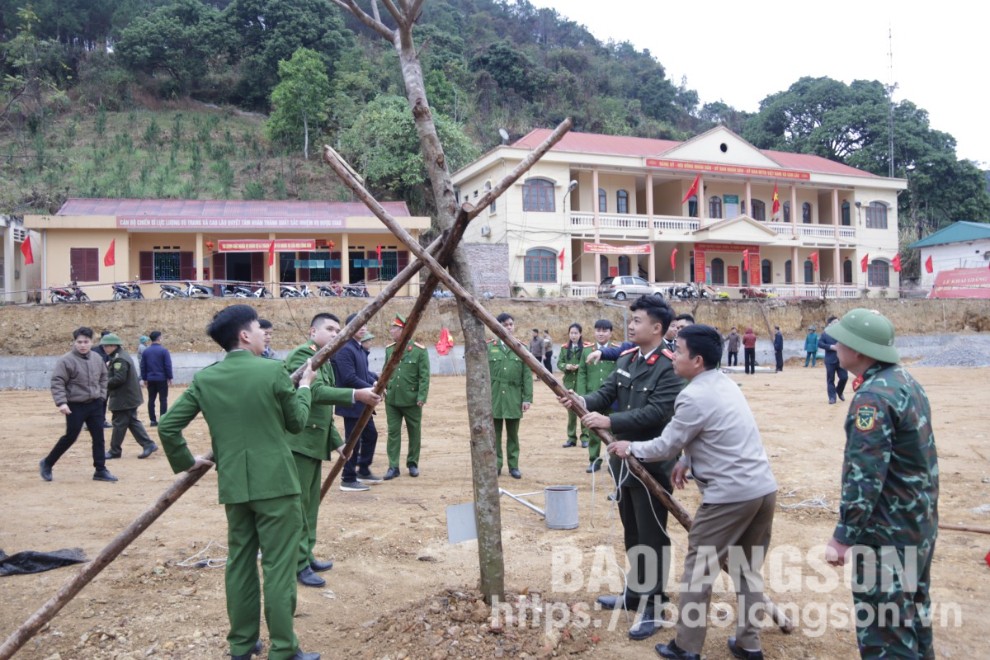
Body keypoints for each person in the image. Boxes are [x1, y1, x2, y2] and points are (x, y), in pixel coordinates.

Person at [158, 304, 321, 660]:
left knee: (240, 563)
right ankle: (283, 648)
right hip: (277, 484)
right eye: (259, 328)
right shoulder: (272, 371)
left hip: (234, 485)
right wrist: (305, 387)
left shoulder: (206, 378)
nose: (265, 333)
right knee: (278, 565)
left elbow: (168, 426)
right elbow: (296, 423)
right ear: (244, 335)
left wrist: (187, 462)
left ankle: (242, 645)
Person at [608, 324, 777, 660]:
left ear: (697, 360)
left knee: (698, 572)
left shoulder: (692, 395)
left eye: (679, 351)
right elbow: (717, 431)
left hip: (729, 496)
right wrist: (688, 459)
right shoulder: (724, 382)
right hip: (762, 489)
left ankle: (685, 646)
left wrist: (630, 447)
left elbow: (664, 444)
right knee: (746, 569)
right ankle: (749, 644)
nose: (673, 356)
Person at [560, 294, 684, 641]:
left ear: (657, 328)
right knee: (632, 530)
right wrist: (582, 402)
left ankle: (654, 605)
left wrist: (609, 419)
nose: (631, 326)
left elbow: (657, 413)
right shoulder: (628, 357)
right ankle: (634, 592)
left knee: (653, 535)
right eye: (630, 320)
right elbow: (605, 392)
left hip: (651, 463)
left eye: (638, 321)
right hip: (622, 461)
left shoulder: (669, 366)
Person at [823, 308, 938, 659]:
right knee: (913, 612)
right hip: (916, 524)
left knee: (884, 627)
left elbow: (865, 474)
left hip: (887, 532)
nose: (835, 345)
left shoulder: (873, 397)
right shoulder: (903, 380)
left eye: (841, 340)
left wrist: (844, 536)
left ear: (858, 350)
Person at [285, 313, 381, 589]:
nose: (335, 334)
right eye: (329, 329)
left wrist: (337, 442)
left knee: (311, 504)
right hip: (298, 443)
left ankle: (307, 553)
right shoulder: (304, 355)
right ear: (312, 331)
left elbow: (322, 414)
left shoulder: (323, 360)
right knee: (299, 506)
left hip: (314, 443)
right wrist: (356, 395)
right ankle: (298, 563)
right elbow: (312, 393)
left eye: (339, 330)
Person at [40, 326, 117, 483]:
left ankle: (100, 470)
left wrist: (102, 395)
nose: (82, 345)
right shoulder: (66, 360)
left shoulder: (97, 358)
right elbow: (57, 382)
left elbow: (104, 377)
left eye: (86, 342)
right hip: (75, 405)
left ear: (92, 342)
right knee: (71, 436)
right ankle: (47, 463)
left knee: (99, 437)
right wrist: (61, 403)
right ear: (74, 342)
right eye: (79, 342)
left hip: (95, 404)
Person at [332, 313, 382, 491]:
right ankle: (348, 477)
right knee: (353, 441)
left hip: (363, 402)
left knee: (370, 435)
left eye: (365, 325)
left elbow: (363, 373)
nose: (363, 328)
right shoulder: (345, 349)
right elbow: (349, 377)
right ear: (349, 327)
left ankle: (363, 470)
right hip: (352, 401)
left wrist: (373, 381)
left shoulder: (358, 348)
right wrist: (371, 389)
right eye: (358, 325)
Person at [384, 314, 431, 479]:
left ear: (403, 330)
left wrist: (422, 396)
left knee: (414, 432)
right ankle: (393, 466)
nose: (391, 331)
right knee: (393, 432)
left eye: (394, 328)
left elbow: (424, 377)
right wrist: (383, 388)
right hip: (392, 400)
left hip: (412, 400)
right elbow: (386, 372)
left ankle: (412, 463)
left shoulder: (419, 351)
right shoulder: (390, 349)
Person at [489, 313, 533, 479]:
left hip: (514, 397)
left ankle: (513, 465)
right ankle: (497, 465)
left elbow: (527, 376)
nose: (508, 327)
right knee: (495, 435)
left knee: (513, 435)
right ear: (497, 326)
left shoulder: (521, 348)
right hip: (495, 397)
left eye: (510, 324)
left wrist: (527, 398)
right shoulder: (489, 347)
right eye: (505, 324)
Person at [101, 333, 158, 460]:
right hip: (128, 396)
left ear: (113, 346)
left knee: (119, 423)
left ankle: (115, 450)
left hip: (124, 398)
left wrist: (103, 382)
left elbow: (119, 379)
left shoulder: (119, 359)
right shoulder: (119, 356)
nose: (104, 348)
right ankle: (148, 444)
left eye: (106, 346)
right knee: (131, 421)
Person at [577, 319, 619, 472]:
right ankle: (594, 460)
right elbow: (581, 372)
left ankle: (615, 460)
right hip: (593, 396)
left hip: (612, 399)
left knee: (614, 429)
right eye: (598, 330)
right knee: (593, 429)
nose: (601, 333)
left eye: (604, 330)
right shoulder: (587, 350)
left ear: (611, 333)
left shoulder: (617, 350)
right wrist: (582, 394)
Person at [558, 323, 589, 449]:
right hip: (569, 383)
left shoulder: (587, 348)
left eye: (576, 333)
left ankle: (585, 437)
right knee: (571, 411)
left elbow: (589, 364)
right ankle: (571, 438)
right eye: (571, 333)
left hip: (582, 383)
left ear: (580, 334)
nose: (573, 335)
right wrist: (567, 366)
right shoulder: (564, 348)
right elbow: (559, 363)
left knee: (583, 410)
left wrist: (580, 367)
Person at [140, 330, 172, 427]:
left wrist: (144, 378)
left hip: (150, 379)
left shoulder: (146, 351)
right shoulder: (164, 351)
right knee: (163, 399)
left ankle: (153, 420)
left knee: (151, 399)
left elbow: (143, 366)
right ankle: (163, 419)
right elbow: (167, 365)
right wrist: (169, 377)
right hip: (162, 378)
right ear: (159, 338)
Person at [819, 316, 849, 405]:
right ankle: (832, 397)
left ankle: (839, 391)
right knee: (830, 379)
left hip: (842, 360)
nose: (838, 323)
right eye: (835, 322)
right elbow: (820, 343)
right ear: (830, 324)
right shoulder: (825, 334)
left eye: (838, 322)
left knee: (844, 377)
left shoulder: (843, 333)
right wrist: (830, 347)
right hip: (830, 360)